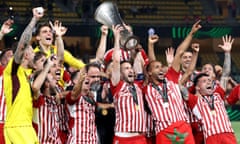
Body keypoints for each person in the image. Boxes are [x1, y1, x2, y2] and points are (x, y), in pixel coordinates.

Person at [144, 20, 202, 144]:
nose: (161, 69)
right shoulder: (147, 87)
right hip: (163, 131)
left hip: (183, 127)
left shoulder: (171, 78)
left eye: (162, 66)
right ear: (149, 72)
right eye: (157, 67)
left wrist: (191, 33)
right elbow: (151, 64)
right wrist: (150, 45)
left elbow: (180, 52)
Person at [3, 7, 43, 144]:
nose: (35, 55)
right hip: (17, 127)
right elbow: (22, 45)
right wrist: (34, 20)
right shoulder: (13, 71)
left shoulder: (28, 75)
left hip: (25, 127)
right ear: (25, 55)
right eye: (32, 53)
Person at [110, 24, 147, 144]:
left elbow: (142, 67)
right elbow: (116, 60)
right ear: (120, 74)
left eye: (130, 68)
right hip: (123, 137)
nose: (130, 70)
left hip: (140, 137)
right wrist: (116, 38)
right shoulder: (117, 86)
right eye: (126, 68)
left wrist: (136, 52)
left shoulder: (138, 86)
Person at [185, 73, 237, 144]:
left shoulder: (218, 95)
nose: (209, 82)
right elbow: (181, 89)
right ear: (197, 87)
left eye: (209, 80)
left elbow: (225, 74)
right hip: (211, 137)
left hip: (228, 134)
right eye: (204, 81)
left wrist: (227, 63)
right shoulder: (196, 101)